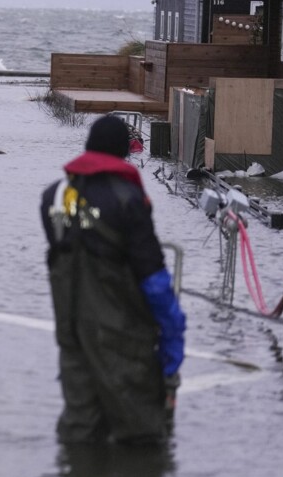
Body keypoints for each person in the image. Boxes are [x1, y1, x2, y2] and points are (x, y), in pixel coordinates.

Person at [40, 114, 186, 445]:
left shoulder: (54, 196)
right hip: (121, 335)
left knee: (79, 431)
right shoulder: (127, 199)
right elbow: (152, 277)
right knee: (142, 437)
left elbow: (71, 254)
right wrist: (173, 331)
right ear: (125, 153)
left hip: (72, 333)